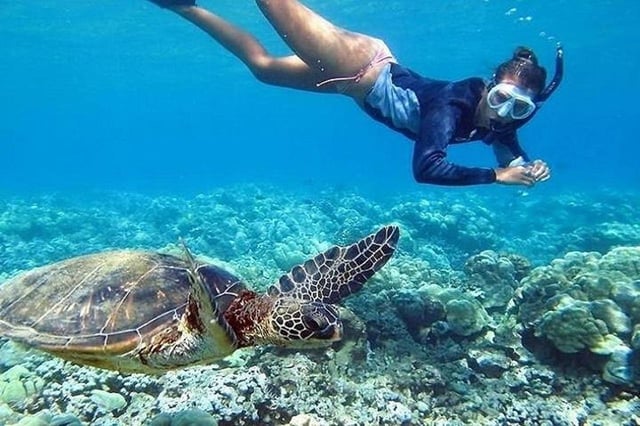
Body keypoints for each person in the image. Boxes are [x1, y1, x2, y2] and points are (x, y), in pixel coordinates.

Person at [147, 0, 563, 187]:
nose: (505, 114)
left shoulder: (504, 120)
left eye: (519, 107)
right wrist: (496, 177)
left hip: (353, 86)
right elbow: (427, 169)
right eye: (501, 98)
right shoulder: (452, 106)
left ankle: (182, 5)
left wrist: (526, 166)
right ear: (488, 88)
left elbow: (507, 147)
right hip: (358, 65)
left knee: (262, 69)